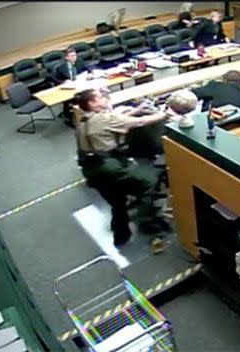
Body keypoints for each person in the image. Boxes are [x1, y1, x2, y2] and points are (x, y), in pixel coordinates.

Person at [74, 89, 171, 250]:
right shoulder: (105, 118)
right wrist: (164, 114)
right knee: (147, 185)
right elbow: (140, 122)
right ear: (92, 103)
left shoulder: (82, 121)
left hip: (90, 169)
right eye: (100, 97)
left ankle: (121, 236)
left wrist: (137, 110)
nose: (105, 98)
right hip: (109, 166)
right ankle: (148, 225)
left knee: (117, 202)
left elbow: (117, 120)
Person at [55, 49, 93, 125]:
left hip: (81, 85)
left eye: (75, 55)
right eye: (71, 56)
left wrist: (90, 74)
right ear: (66, 57)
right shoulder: (60, 67)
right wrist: (64, 82)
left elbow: (89, 70)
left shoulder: (80, 62)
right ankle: (69, 117)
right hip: (69, 88)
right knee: (70, 99)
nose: (74, 57)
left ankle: (89, 110)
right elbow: (56, 81)